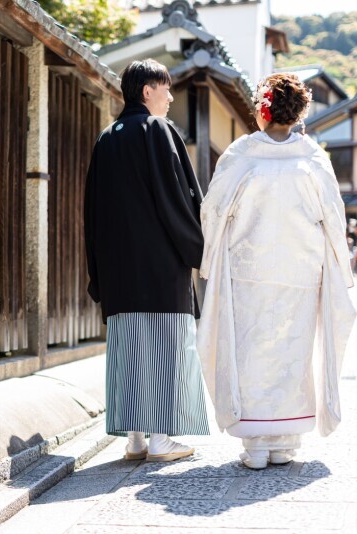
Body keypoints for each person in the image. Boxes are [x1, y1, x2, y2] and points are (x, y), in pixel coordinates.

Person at [197, 73, 356, 469]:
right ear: (298, 112)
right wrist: (337, 262)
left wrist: (212, 251)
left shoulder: (241, 154)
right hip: (301, 270)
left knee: (251, 351)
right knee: (293, 351)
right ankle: (285, 440)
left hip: (249, 269)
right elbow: (333, 217)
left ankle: (258, 443)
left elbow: (214, 209)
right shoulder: (312, 158)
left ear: (260, 109)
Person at [84, 59, 209, 462]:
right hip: (158, 265)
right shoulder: (157, 130)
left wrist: (99, 272)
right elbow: (179, 195)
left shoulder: (107, 137)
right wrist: (198, 245)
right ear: (146, 91)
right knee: (165, 346)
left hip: (119, 269)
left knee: (132, 349)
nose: (171, 97)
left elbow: (92, 212)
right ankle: (161, 438)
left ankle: (135, 439)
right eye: (165, 88)